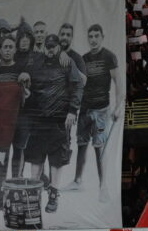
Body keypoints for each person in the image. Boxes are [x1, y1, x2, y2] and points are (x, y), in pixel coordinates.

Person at [23, 34, 84, 213]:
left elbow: (78, 86)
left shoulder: (67, 63)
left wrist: (73, 111)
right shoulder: (36, 63)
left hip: (59, 120)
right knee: (36, 159)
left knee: (57, 159)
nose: (50, 49)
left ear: (58, 47)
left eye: (53, 46)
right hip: (39, 119)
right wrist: (27, 90)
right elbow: (30, 86)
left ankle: (54, 194)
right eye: (47, 46)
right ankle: (33, 197)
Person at [67, 24, 121, 202]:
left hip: (101, 109)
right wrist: (74, 109)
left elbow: (118, 83)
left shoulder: (109, 56)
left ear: (102, 36)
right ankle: (77, 180)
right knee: (81, 144)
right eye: (90, 36)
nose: (93, 39)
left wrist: (118, 106)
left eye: (96, 35)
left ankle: (103, 187)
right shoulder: (83, 59)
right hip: (84, 109)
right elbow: (78, 85)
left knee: (100, 149)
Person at [0, 35, 31, 178]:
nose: (7, 50)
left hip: (18, 117)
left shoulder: (21, 67)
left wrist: (26, 78)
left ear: (15, 50)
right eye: (5, 47)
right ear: (0, 50)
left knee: (18, 149)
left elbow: (28, 86)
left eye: (10, 47)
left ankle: (16, 181)